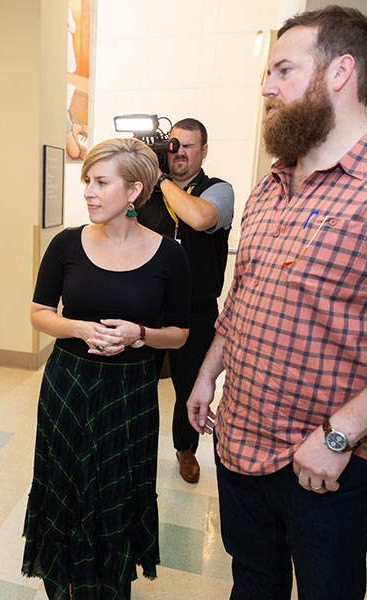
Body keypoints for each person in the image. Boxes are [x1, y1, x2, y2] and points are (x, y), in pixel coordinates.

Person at [186, 7, 367, 599]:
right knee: (253, 582)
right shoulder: (269, 188)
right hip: (239, 439)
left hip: (328, 461)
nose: (266, 88)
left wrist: (338, 437)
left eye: (284, 70)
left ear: (341, 71)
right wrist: (207, 376)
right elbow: (243, 298)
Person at [22, 138, 191, 599]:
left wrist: (140, 334)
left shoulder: (169, 254)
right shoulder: (65, 245)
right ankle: (66, 585)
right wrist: (77, 328)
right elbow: (39, 313)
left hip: (131, 391)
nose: (88, 193)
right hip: (69, 386)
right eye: (87, 182)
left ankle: (109, 584)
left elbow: (179, 333)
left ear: (134, 190)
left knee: (116, 489)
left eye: (100, 182)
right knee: (66, 485)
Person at [136, 118, 234, 483]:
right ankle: (137, 449)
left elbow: (198, 218)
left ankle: (186, 449)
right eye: (173, 144)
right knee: (138, 385)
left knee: (190, 387)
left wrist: (161, 180)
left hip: (196, 312)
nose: (178, 152)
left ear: (203, 151)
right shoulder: (145, 191)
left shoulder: (218, 190)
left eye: (188, 145)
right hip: (148, 311)